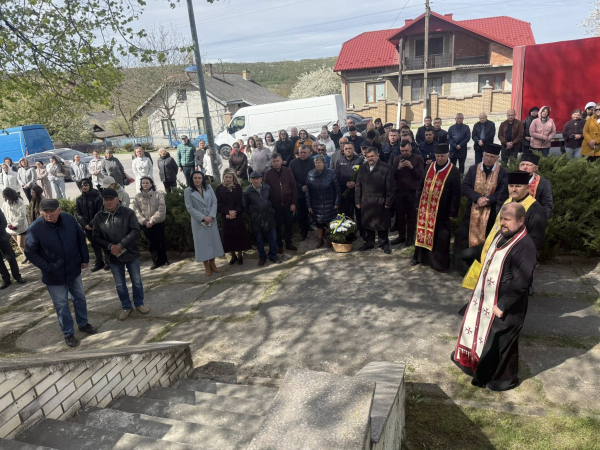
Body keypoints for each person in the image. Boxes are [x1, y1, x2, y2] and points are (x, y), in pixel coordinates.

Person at [452, 202, 536, 391]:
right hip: (489, 299)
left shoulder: (525, 247)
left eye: (507, 220)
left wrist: (503, 305)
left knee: (502, 345)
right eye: (501, 219)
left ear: (521, 221)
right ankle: (476, 368)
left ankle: (503, 381)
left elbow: (521, 282)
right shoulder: (501, 235)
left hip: (508, 306)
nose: (503, 223)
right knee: (486, 338)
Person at [26, 197, 98, 348]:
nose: (49, 214)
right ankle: (68, 333)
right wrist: (48, 268)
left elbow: (80, 237)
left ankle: (83, 324)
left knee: (80, 297)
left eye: (52, 211)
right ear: (41, 212)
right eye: (45, 211)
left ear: (59, 210)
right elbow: (30, 252)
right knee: (61, 304)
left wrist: (84, 258)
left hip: (73, 269)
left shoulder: (69, 219)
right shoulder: (35, 228)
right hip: (53, 275)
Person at [462, 171, 547, 293]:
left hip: (514, 258)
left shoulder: (536, 209)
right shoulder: (508, 202)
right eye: (511, 186)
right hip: (496, 251)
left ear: (527, 187)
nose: (514, 189)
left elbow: (536, 240)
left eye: (518, 186)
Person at [92, 188, 150, 319]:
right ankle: (126, 307)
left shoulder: (128, 213)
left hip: (130, 253)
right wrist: (110, 246)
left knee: (136, 281)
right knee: (119, 284)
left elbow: (135, 230)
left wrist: (121, 245)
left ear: (117, 199)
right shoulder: (99, 217)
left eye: (111, 199)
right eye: (106, 200)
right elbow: (95, 237)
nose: (108, 202)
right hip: (113, 256)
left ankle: (139, 304)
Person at [453, 144, 508, 275]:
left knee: (487, 240)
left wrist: (488, 200)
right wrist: (477, 198)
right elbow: (465, 186)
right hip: (472, 211)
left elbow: (503, 192)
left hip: (491, 214)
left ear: (497, 158)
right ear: (483, 155)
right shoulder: (474, 169)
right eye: (486, 156)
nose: (488, 159)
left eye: (492, 157)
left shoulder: (503, 172)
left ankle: (483, 268)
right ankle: (461, 267)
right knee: (462, 236)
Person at [412, 144, 461, 271]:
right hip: (425, 209)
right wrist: (417, 203)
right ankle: (420, 257)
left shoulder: (453, 171)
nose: (439, 158)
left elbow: (456, 194)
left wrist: (453, 212)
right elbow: (421, 185)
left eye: (442, 156)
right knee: (422, 232)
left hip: (442, 211)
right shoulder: (429, 167)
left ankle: (438, 263)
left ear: (448, 155)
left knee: (440, 237)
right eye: (437, 156)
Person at [184, 171, 224, 276]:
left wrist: (211, 216)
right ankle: (206, 265)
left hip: (211, 219)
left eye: (199, 178)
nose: (197, 180)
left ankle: (212, 263)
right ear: (192, 179)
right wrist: (203, 218)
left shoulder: (209, 188)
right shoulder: (188, 191)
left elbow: (214, 202)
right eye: (195, 178)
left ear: (202, 179)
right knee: (202, 244)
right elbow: (189, 208)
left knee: (213, 242)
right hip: (198, 221)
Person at [355, 147, 395, 253]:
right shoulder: (362, 168)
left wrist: (388, 202)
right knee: (368, 222)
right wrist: (357, 200)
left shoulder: (386, 168)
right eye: (368, 157)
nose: (370, 158)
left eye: (372, 156)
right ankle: (369, 242)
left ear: (377, 155)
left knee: (382, 223)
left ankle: (384, 243)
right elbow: (358, 186)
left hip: (381, 200)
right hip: (366, 200)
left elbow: (390, 187)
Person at [390, 140, 424, 247]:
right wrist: (398, 168)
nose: (404, 153)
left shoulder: (418, 159)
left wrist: (411, 167)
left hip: (412, 192)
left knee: (411, 216)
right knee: (400, 215)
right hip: (399, 191)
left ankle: (410, 237)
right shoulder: (397, 159)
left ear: (411, 149)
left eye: (406, 150)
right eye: (402, 151)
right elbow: (392, 177)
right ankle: (401, 236)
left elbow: (421, 177)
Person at [243, 171, 280, 265]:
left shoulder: (267, 188)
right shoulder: (247, 191)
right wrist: (253, 213)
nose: (256, 181)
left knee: (273, 238)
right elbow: (245, 206)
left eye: (257, 178)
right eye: (253, 179)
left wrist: (271, 211)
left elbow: (272, 200)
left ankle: (273, 255)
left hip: (269, 217)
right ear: (250, 180)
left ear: (261, 179)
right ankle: (262, 257)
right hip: (256, 219)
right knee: (259, 239)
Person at [264, 153, 298, 254]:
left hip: (288, 203)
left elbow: (294, 187)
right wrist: (269, 205)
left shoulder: (288, 171)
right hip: (275, 205)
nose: (276, 163)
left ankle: (289, 243)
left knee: (288, 224)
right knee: (277, 226)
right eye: (274, 161)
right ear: (271, 162)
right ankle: (279, 245)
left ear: (281, 161)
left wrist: (293, 203)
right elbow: (266, 191)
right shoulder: (268, 174)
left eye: (278, 161)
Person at [216, 168, 251, 265]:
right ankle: (233, 256)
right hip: (226, 216)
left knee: (239, 236)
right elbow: (219, 203)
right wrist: (228, 212)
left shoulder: (238, 187)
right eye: (226, 177)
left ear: (233, 178)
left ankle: (240, 255)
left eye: (230, 177)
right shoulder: (219, 189)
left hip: (237, 216)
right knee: (229, 237)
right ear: (223, 177)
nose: (228, 179)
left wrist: (235, 212)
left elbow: (241, 201)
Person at [133, 177, 168, 270]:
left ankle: (164, 259)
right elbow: (136, 211)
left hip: (158, 222)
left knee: (161, 242)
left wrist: (152, 220)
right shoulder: (137, 197)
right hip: (146, 224)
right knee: (151, 243)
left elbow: (161, 209)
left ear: (151, 184)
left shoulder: (158, 195)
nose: (145, 185)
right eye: (143, 183)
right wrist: (145, 221)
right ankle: (155, 261)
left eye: (147, 183)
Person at [306, 155, 341, 249]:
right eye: (316, 163)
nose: (318, 164)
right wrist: (309, 205)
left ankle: (329, 238)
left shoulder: (331, 173)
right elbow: (308, 191)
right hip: (316, 203)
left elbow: (337, 189)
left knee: (329, 222)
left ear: (324, 163)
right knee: (318, 222)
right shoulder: (310, 173)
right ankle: (320, 239)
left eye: (320, 162)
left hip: (329, 202)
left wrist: (336, 203)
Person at [75, 178, 105, 272]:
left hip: (98, 225)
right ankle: (99, 261)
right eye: (82, 185)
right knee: (94, 244)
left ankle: (108, 261)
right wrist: (85, 224)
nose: (84, 187)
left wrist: (91, 224)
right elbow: (78, 213)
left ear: (90, 185)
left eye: (86, 185)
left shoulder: (98, 197)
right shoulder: (80, 199)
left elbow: (100, 212)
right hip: (86, 227)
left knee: (103, 243)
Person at [289, 145, 315, 241]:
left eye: (305, 153)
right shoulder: (293, 163)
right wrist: (301, 187)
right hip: (299, 192)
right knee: (302, 214)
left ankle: (322, 232)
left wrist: (308, 186)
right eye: (301, 153)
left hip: (312, 191)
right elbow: (291, 178)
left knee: (315, 213)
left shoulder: (313, 161)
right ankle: (304, 232)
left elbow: (317, 175)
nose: (303, 154)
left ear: (309, 153)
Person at [519, 153, 553, 219]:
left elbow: (547, 205)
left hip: (533, 218)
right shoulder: (510, 179)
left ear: (536, 168)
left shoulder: (543, 182)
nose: (525, 167)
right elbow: (502, 199)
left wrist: (540, 219)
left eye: (528, 165)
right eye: (522, 164)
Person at [335, 142, 362, 225]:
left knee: (359, 212)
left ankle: (361, 230)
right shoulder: (339, 161)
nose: (348, 150)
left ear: (353, 149)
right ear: (343, 150)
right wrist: (345, 183)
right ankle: (349, 230)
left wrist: (355, 183)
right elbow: (337, 176)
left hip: (357, 191)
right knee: (346, 213)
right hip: (344, 191)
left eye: (350, 148)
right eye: (346, 149)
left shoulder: (359, 160)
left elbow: (363, 176)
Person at [0, 209, 26, 290]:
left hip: (2, 237)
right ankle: (6, 280)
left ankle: (17, 276)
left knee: (11, 257)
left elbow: (3, 222)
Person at [2, 188, 28, 261]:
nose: (5, 199)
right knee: (20, 244)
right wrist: (8, 224)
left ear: (10, 195)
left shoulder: (20, 202)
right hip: (11, 228)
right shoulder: (5, 203)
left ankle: (29, 255)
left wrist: (15, 225)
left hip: (20, 227)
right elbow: (4, 214)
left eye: (6, 197)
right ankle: (26, 256)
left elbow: (22, 215)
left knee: (21, 244)